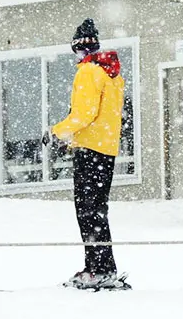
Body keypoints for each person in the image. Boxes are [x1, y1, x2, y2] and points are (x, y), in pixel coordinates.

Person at [43, 18, 128, 290]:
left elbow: (84, 114)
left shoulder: (88, 72)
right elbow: (105, 116)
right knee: (97, 212)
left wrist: (56, 132)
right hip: (106, 150)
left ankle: (97, 269)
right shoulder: (112, 75)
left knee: (87, 211)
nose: (79, 56)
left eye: (79, 51)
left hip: (89, 151)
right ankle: (103, 266)